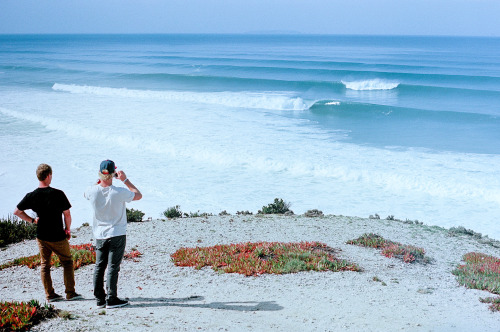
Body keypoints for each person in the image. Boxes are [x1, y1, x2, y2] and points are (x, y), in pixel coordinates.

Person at [14, 164, 82, 302]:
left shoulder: (31, 195)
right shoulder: (58, 194)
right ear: (49, 175)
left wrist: (32, 220)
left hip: (42, 236)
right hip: (57, 235)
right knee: (67, 262)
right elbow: (67, 214)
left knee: (45, 265)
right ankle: (70, 293)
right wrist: (67, 229)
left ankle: (50, 295)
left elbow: (17, 212)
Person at [84, 160, 142, 309]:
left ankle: (99, 299)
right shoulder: (119, 192)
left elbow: (89, 192)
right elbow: (138, 195)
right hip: (117, 233)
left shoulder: (91, 191)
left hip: (100, 234)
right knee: (113, 267)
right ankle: (111, 298)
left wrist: (102, 179)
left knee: (99, 266)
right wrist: (125, 179)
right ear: (113, 173)